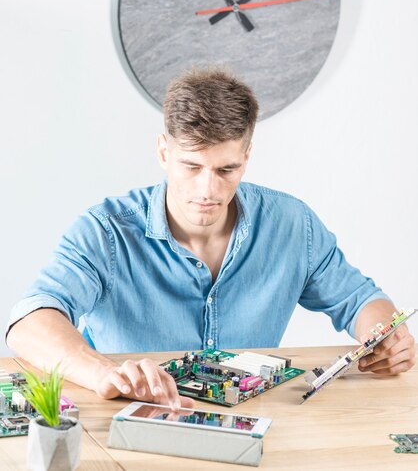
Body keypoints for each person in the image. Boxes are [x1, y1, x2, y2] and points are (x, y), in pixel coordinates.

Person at [6, 68, 416, 410]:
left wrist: (386, 337)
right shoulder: (107, 230)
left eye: (226, 170)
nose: (207, 190)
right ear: (164, 152)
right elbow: (30, 324)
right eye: (191, 166)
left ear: (247, 157)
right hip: (135, 423)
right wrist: (105, 373)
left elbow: (362, 301)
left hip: (256, 427)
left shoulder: (293, 225)